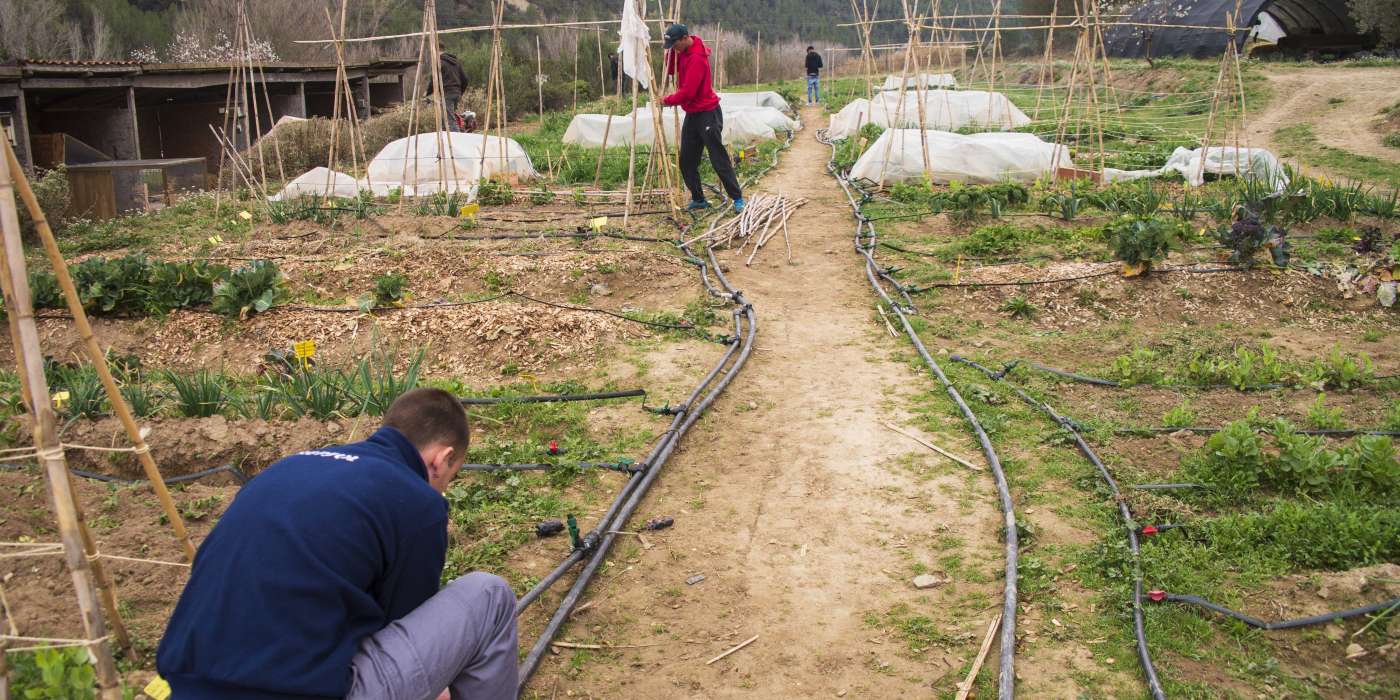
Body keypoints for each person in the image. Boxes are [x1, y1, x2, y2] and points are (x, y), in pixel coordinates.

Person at [156, 388, 518, 700]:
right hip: (299, 691)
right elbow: (401, 625)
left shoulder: (287, 468)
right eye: (449, 478)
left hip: (186, 685)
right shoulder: (416, 501)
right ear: (442, 459)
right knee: (490, 596)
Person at [661, 24, 745, 213]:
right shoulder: (682, 50)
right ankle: (698, 199)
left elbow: (689, 92)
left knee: (718, 157)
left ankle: (738, 198)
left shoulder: (697, 59)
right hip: (693, 113)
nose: (673, 48)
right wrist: (671, 54)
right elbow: (671, 69)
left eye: (675, 44)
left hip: (708, 113)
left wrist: (667, 100)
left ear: (684, 38)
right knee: (687, 160)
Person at [436, 46, 469, 132]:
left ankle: (456, 140)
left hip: (447, 93)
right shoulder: (456, 62)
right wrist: (460, 92)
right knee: (446, 118)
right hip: (456, 93)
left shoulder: (440, 62)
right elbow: (465, 79)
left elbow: (434, 80)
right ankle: (446, 139)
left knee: (450, 120)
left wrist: (427, 92)